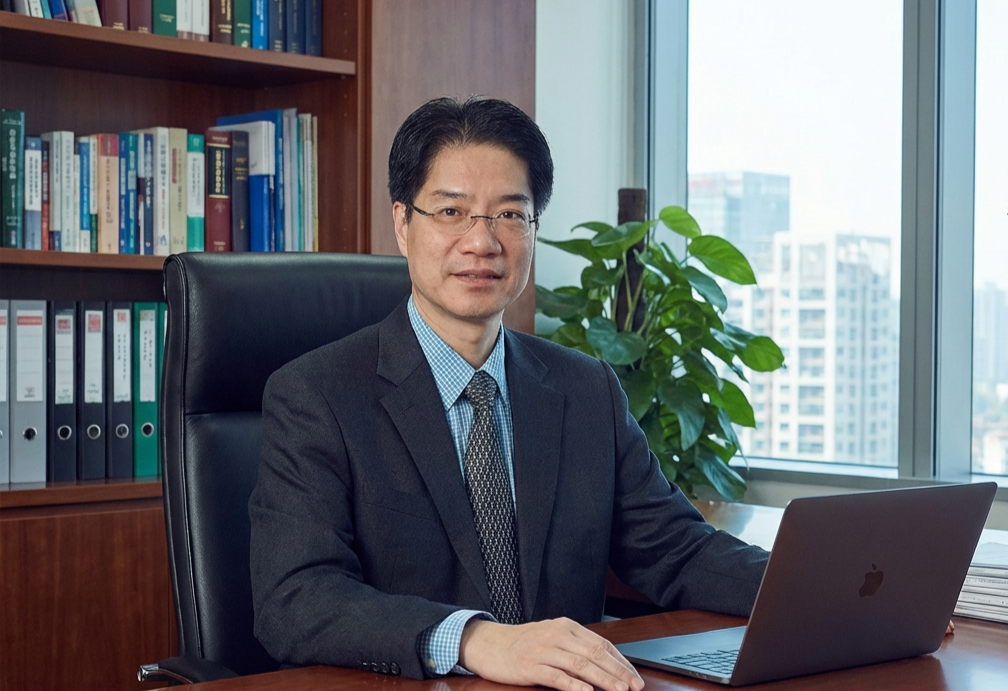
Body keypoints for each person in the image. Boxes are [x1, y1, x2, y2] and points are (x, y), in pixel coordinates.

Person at [248, 96, 770, 690]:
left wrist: (818, 589)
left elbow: (676, 549)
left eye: (509, 215)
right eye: (451, 211)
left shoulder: (585, 389)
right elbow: (295, 597)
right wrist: (474, 639)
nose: (482, 242)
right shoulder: (316, 395)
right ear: (402, 223)